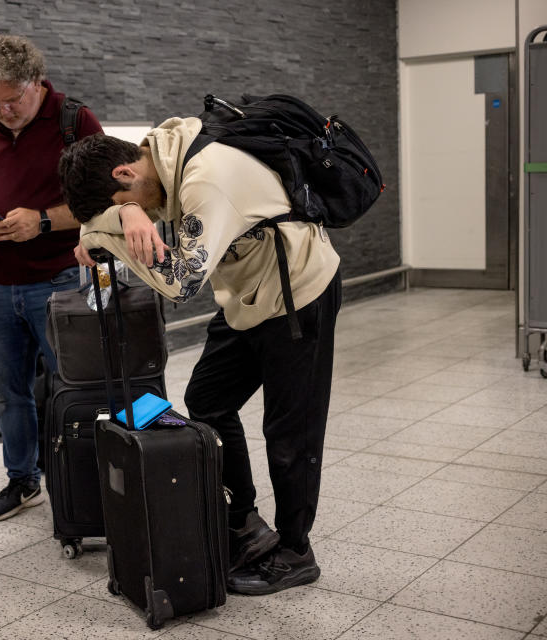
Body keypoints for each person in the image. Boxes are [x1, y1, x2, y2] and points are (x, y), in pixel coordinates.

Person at [57, 126, 342, 595]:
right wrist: (123, 210)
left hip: (299, 294)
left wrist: (108, 232)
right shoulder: (158, 152)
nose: (145, 212)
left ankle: (295, 552)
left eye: (127, 201)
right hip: (248, 293)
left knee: (291, 431)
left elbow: (181, 285)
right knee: (208, 398)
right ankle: (243, 521)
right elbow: (120, 210)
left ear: (126, 171)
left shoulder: (205, 179)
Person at [0, 34, 103, 522]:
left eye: (14, 100)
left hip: (59, 279)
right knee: (9, 391)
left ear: (38, 83)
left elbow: (106, 200)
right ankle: (22, 480)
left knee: (72, 386)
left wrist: (43, 221)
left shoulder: (75, 120)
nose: (5, 111)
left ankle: (86, 482)